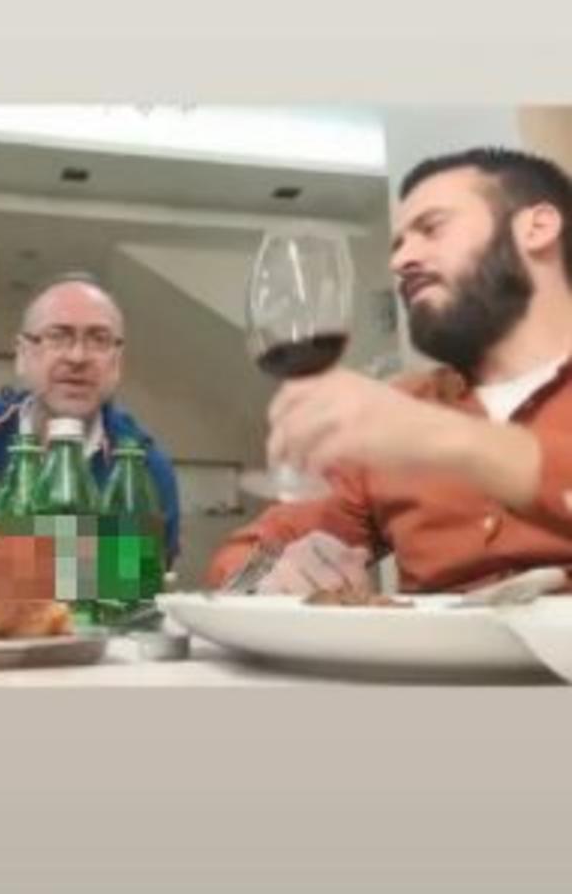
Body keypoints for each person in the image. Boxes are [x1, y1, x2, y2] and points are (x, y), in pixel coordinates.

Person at [207, 147, 572, 596]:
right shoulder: (400, 411)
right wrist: (274, 575)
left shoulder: (406, 422)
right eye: (398, 243)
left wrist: (450, 439)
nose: (400, 261)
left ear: (537, 227)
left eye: (431, 228)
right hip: (433, 645)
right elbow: (242, 556)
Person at [0, 274, 180, 564]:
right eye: (57, 336)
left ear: (117, 362)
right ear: (22, 355)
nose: (77, 357)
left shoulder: (143, 467)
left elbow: (137, 576)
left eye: (98, 339)